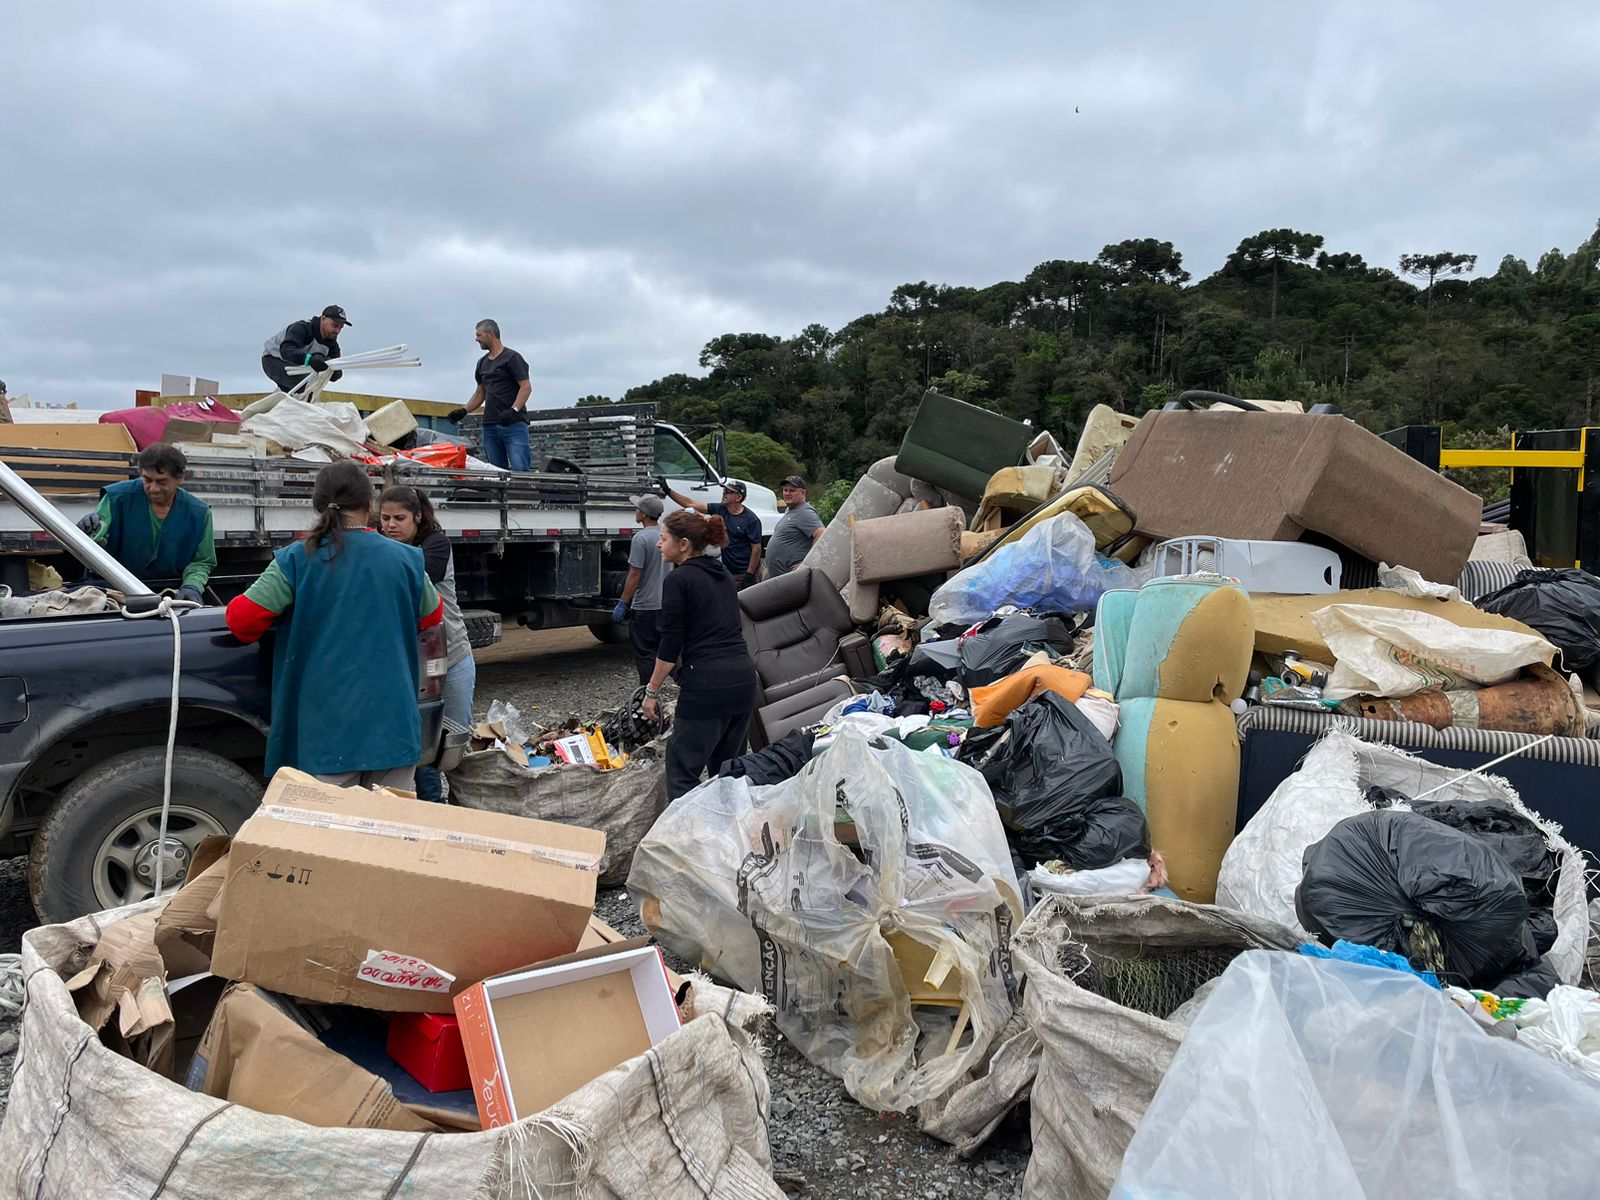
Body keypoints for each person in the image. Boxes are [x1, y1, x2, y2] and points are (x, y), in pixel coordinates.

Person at [225, 461, 444, 790]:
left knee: (332, 833)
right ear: (369, 504)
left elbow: (242, 622)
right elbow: (432, 616)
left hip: (328, 731)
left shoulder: (296, 559)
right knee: (393, 829)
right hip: (393, 724)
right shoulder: (407, 558)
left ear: (317, 505)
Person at [643, 510, 758, 798]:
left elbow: (670, 646)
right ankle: (731, 836)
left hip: (707, 686)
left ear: (683, 544)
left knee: (682, 773)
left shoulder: (678, 580)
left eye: (663, 538)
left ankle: (687, 841)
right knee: (728, 774)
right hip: (743, 682)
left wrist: (651, 692)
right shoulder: (722, 573)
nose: (659, 544)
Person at [379, 485, 476, 803]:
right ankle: (432, 806)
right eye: (385, 518)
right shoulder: (382, 548)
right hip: (412, 663)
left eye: (399, 518)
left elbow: (421, 572)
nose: (391, 525)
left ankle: (469, 803)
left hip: (453, 654)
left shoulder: (436, 544)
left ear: (418, 518)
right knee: (421, 743)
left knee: (454, 740)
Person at [76, 443, 216, 602]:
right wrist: (89, 534)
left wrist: (192, 586)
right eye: (147, 480)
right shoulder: (117, 498)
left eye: (162, 482)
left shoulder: (199, 513)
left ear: (181, 478)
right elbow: (97, 540)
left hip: (167, 592)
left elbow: (201, 561)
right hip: (113, 589)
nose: (153, 488)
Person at [447, 319, 530, 471]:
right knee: (495, 471)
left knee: (520, 468)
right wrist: (464, 410)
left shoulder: (512, 358)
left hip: (513, 424)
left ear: (490, 334)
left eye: (479, 335)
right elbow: (480, 392)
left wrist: (514, 410)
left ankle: (522, 494)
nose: (476, 339)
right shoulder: (482, 363)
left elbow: (526, 387)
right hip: (490, 425)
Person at [661, 477, 762, 587]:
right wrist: (668, 490)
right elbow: (690, 504)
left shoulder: (751, 520)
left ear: (738, 497)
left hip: (744, 573)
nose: (724, 494)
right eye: (724, 491)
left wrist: (749, 574)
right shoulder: (720, 509)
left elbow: (756, 549)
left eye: (728, 492)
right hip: (729, 571)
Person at [614, 493, 670, 684]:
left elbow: (634, 574)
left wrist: (623, 602)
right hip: (665, 605)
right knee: (667, 652)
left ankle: (647, 695)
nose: (635, 511)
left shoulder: (640, 539)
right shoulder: (666, 534)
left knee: (645, 654)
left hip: (645, 607)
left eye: (637, 508)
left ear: (644, 514)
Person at [261, 305, 352, 393]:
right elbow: (286, 351)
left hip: (298, 366)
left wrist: (334, 371)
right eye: (335, 325)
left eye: (341, 327)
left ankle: (283, 397)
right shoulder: (303, 328)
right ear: (323, 319)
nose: (337, 331)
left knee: (310, 383)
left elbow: (336, 375)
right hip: (273, 359)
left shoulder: (333, 346)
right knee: (303, 384)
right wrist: (310, 360)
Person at [763, 475, 825, 578]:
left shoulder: (805, 512)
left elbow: (822, 534)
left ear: (802, 493)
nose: (787, 493)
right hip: (777, 577)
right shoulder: (791, 510)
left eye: (792, 490)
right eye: (785, 490)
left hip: (790, 578)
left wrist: (806, 563)